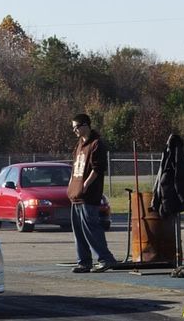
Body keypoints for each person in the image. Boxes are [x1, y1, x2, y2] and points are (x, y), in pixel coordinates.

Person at [67, 114, 117, 273]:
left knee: (91, 229)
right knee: (78, 231)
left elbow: (98, 168)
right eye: (73, 127)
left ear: (86, 125)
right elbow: (75, 167)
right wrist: (71, 186)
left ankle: (105, 259)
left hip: (88, 195)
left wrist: (86, 185)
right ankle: (84, 262)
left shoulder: (96, 144)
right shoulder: (79, 145)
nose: (74, 130)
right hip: (76, 195)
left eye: (76, 127)